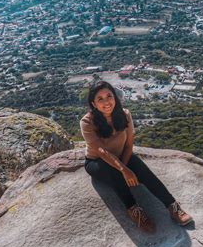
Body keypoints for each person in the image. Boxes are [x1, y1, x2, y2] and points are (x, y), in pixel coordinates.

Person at [80, 80, 193, 233]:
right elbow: (100, 151)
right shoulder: (87, 122)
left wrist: (125, 166)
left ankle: (172, 206)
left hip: (121, 156)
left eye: (109, 96)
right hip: (97, 162)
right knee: (114, 172)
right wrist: (124, 170)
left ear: (115, 97)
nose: (106, 102)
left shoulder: (124, 114)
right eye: (100, 99)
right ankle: (134, 210)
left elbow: (128, 145)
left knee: (142, 170)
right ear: (93, 103)